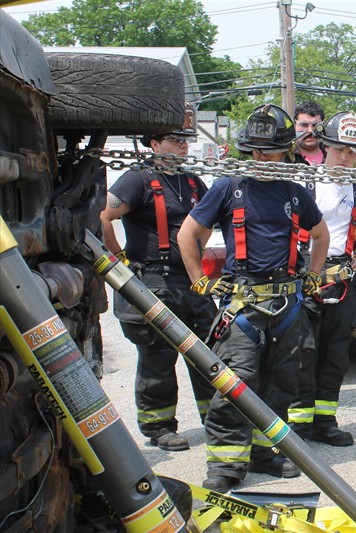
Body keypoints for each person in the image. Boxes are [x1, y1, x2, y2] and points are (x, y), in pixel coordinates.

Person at [177, 104, 329, 492]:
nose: (261, 157)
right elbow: (187, 235)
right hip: (244, 306)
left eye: (269, 151)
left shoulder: (295, 193)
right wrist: (199, 281)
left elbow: (321, 235)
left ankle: (266, 453)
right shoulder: (229, 187)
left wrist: (313, 274)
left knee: (281, 383)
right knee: (236, 383)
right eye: (255, 150)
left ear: (286, 151)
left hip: (288, 306)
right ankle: (226, 464)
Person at [100, 106, 217, 452]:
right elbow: (104, 216)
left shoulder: (192, 182)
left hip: (191, 282)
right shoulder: (137, 179)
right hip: (155, 282)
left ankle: (215, 419)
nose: (183, 146)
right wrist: (119, 261)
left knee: (209, 353)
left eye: (185, 140)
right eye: (175, 140)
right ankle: (158, 427)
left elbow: (207, 222)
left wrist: (195, 254)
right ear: (154, 143)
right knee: (158, 358)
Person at [288, 111, 356, 446]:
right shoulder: (303, 183)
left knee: (335, 355)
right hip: (304, 278)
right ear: (326, 146)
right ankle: (298, 426)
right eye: (341, 149)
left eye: (353, 152)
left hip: (341, 281)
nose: (346, 157)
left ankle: (325, 422)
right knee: (302, 353)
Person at [294, 101, 326, 165]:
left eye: (315, 125)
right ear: (294, 126)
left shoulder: (333, 154)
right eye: (304, 125)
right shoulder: (283, 155)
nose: (310, 130)